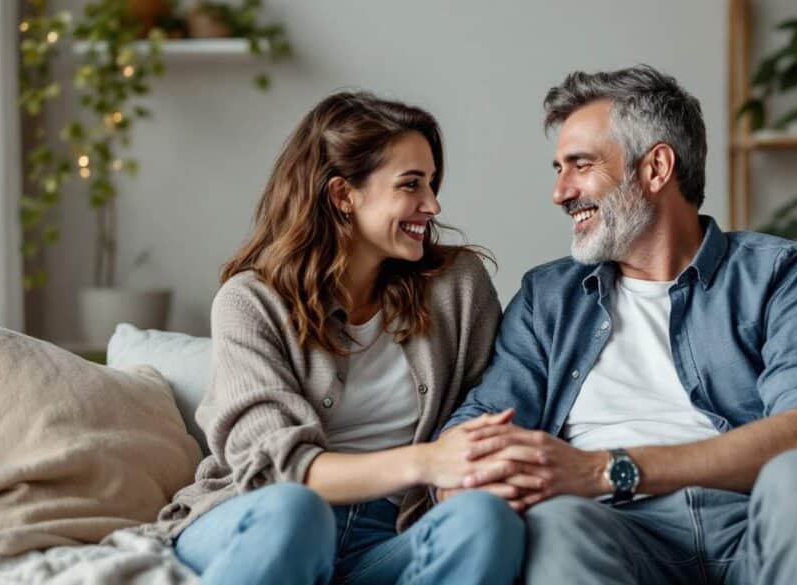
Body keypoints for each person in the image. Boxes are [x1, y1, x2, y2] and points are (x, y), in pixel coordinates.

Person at [436, 65, 797, 585]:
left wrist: (601, 469)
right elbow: (477, 431)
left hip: (765, 524)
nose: (560, 192)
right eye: (558, 169)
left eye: (580, 165)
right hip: (615, 533)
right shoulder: (549, 300)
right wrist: (469, 476)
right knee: (555, 522)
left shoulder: (783, 275)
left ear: (656, 168)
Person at [153, 92, 524, 585]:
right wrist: (428, 461)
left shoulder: (457, 286)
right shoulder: (250, 302)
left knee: (485, 521)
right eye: (411, 185)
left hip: (390, 535)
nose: (432, 205)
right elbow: (279, 471)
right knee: (296, 510)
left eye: (432, 183)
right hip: (258, 519)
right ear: (342, 195)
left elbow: (479, 411)